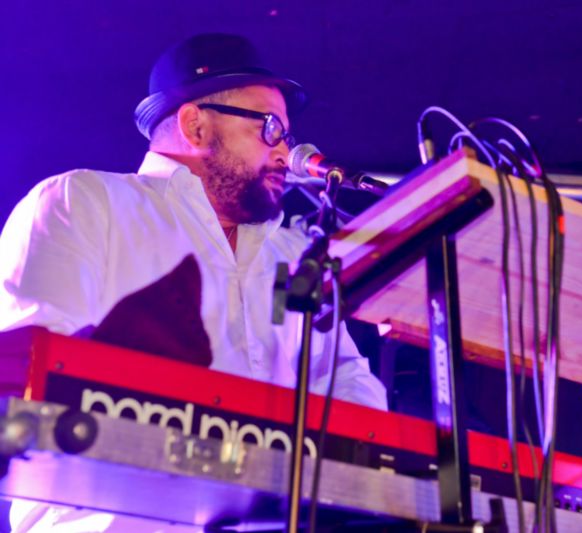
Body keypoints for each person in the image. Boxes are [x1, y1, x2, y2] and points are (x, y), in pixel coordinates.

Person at [0, 33, 386, 532]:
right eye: (270, 128)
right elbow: (29, 390)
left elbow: (344, 381)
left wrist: (369, 471)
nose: (285, 152)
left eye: (287, 135)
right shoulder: (83, 203)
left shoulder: (294, 255)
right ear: (195, 125)